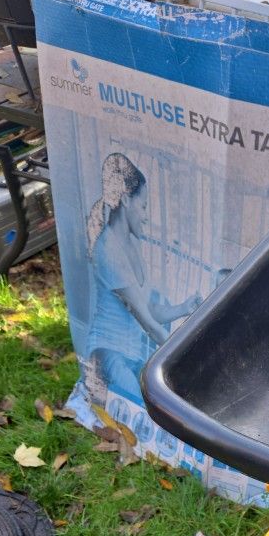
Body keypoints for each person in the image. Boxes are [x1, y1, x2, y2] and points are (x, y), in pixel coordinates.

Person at [85, 153, 201, 400]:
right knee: (155, 406)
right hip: (108, 356)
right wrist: (187, 360)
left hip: (131, 356)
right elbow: (148, 323)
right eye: (144, 206)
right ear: (126, 200)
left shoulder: (132, 243)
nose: (146, 215)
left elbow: (149, 309)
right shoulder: (108, 249)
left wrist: (184, 308)